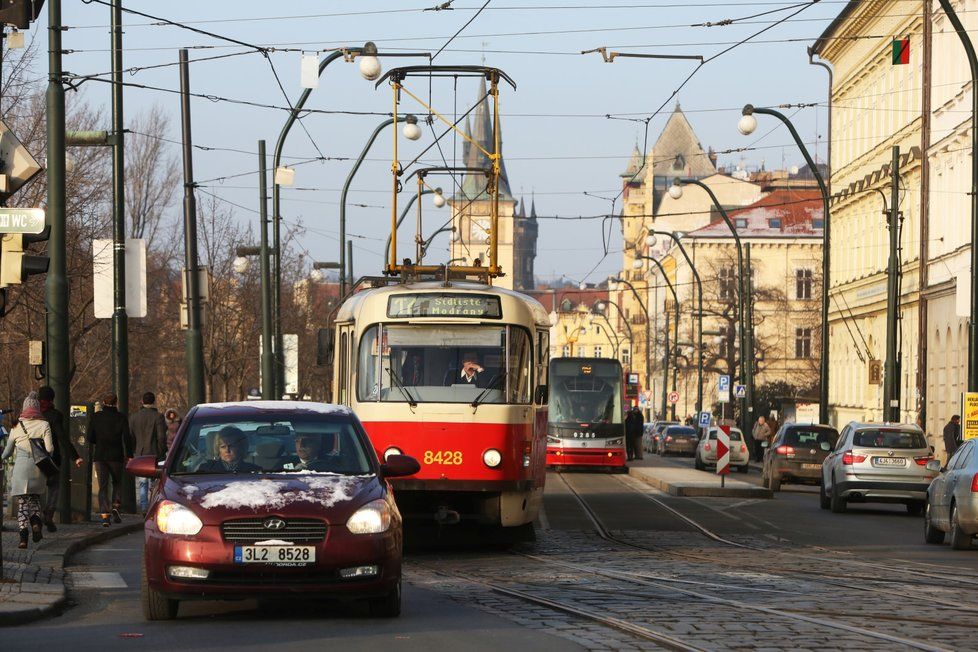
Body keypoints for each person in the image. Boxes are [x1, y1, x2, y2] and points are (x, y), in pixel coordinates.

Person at [2, 392, 54, 549]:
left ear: (24, 408)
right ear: (37, 409)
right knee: (35, 500)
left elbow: (7, 452)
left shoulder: (16, 426)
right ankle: (36, 523)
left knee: (23, 503)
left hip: (21, 470)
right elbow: (50, 449)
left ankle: (23, 538)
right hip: (38, 469)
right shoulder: (44, 425)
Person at [38, 385, 82, 532]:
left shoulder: (33, 415)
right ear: (52, 399)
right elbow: (62, 438)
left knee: (36, 487)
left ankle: (35, 516)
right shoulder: (55, 415)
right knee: (54, 487)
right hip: (52, 458)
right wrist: (75, 456)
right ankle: (49, 513)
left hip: (34, 457)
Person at [89, 393, 134, 527]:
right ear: (116, 403)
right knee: (117, 482)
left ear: (103, 402)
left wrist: (99, 440)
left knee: (103, 486)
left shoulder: (96, 417)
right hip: (116, 456)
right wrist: (129, 455)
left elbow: (90, 437)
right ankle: (116, 505)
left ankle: (104, 515)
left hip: (100, 455)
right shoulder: (121, 417)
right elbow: (127, 437)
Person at [130, 392, 168, 515]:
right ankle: (152, 506)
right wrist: (162, 452)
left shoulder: (134, 417)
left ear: (142, 401)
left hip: (140, 453)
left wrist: (133, 452)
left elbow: (131, 437)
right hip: (154, 453)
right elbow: (161, 437)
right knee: (154, 483)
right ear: (154, 401)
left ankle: (144, 507)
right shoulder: (158, 417)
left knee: (142, 482)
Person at [197, 426, 261, 473]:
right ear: (218, 449)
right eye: (223, 446)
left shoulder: (255, 470)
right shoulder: (205, 469)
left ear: (241, 447)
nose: (227, 450)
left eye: (232, 446)